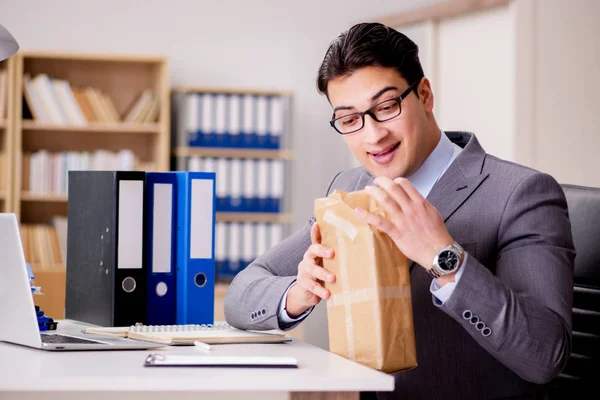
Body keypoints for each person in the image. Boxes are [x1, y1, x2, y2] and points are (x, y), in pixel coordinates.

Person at [224, 22, 575, 399]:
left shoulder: (520, 193)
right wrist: (298, 292)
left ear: (424, 95)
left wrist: (443, 257)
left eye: (387, 107)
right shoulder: (352, 190)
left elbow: (544, 356)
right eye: (349, 120)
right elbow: (241, 295)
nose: (372, 136)